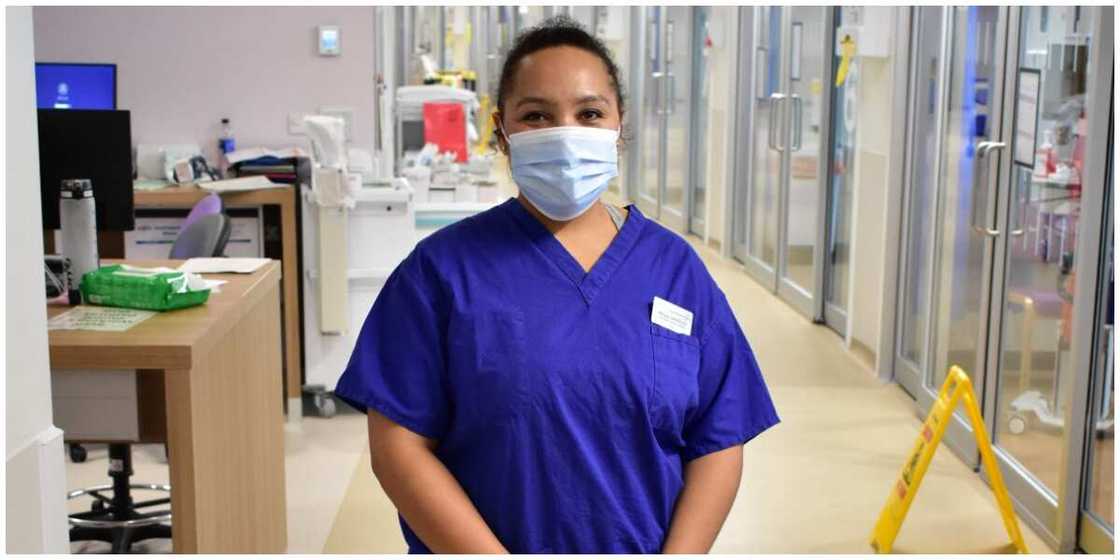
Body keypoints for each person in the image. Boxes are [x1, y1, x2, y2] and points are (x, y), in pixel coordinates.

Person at [334, 16, 779, 554]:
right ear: (501, 132)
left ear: (619, 125)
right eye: (537, 116)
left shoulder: (675, 268)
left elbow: (718, 435)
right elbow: (398, 449)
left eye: (589, 113)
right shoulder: (441, 272)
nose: (566, 134)